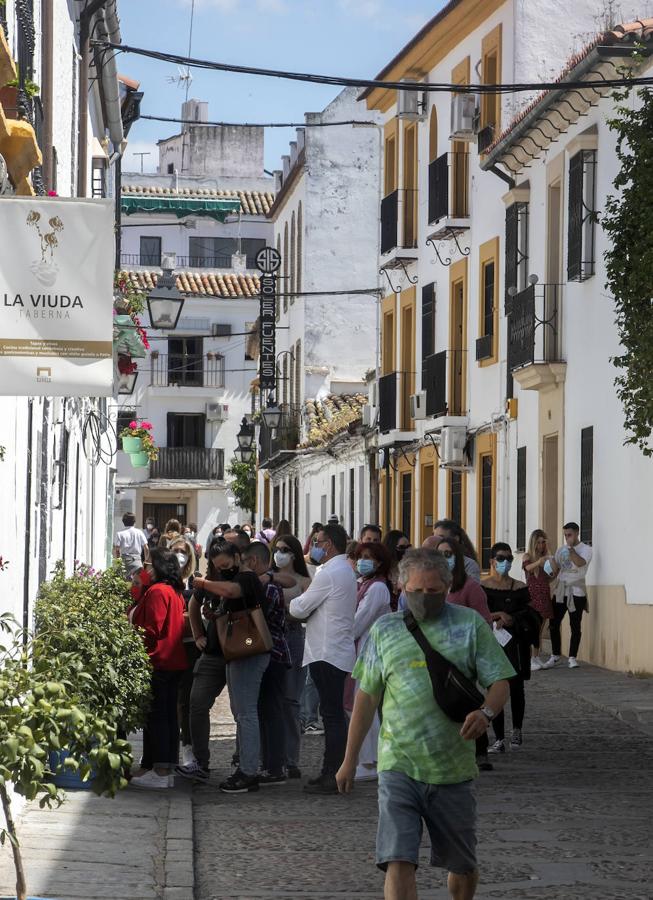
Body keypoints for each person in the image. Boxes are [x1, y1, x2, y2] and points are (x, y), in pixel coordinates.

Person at [336, 549, 514, 900]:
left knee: (462, 867)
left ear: (448, 587)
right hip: (398, 764)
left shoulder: (469, 625)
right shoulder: (384, 630)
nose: (424, 598)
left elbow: (500, 682)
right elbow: (366, 698)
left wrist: (486, 714)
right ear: (401, 586)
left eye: (434, 592)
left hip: (452, 768)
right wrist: (349, 760)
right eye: (416, 591)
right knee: (398, 859)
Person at [289, 524, 357, 794]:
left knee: (331, 716)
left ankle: (332, 773)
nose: (313, 547)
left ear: (328, 544)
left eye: (317, 541)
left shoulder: (329, 573)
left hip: (326, 652)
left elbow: (301, 607)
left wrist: (293, 601)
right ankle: (333, 771)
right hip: (334, 650)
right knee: (333, 715)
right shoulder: (345, 570)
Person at [129, 549, 187, 790]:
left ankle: (160, 770)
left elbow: (150, 629)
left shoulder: (158, 591)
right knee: (167, 715)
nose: (146, 570)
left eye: (149, 565)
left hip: (158, 660)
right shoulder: (172, 591)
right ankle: (159, 765)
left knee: (158, 716)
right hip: (171, 660)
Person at [240, 542, 291, 785]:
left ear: (253, 562)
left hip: (273, 653)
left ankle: (275, 767)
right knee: (263, 710)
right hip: (267, 653)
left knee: (272, 711)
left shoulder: (269, 588)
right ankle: (268, 762)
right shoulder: (268, 584)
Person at [482, 543, 541, 753]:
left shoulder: (519, 588)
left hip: (516, 644)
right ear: (492, 561)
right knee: (494, 688)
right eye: (500, 558)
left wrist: (512, 619)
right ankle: (498, 738)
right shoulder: (483, 587)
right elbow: (477, 614)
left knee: (516, 689)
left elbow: (531, 615)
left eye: (508, 558)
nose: (505, 562)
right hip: (492, 644)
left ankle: (517, 729)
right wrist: (497, 615)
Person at [346, 541, 392, 781]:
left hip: (371, 652)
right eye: (360, 556)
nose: (362, 561)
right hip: (362, 651)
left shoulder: (377, 589)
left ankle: (369, 760)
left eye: (368, 557)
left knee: (366, 707)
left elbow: (358, 623)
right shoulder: (363, 585)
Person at [270, 533, 312, 778]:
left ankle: (291, 758)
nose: (280, 553)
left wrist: (284, 613)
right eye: (277, 548)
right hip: (271, 638)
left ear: (294, 554)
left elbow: (307, 614)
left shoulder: (304, 581)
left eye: (285, 549)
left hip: (294, 639)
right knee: (271, 700)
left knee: (291, 701)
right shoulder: (269, 578)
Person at [543, 522, 593, 669]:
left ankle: (572, 657)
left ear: (577, 533)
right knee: (553, 624)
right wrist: (549, 566)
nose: (567, 538)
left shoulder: (586, 549)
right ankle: (555, 655)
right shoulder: (561, 549)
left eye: (569, 535)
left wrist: (571, 550)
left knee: (575, 625)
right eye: (565, 535)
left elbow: (579, 563)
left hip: (577, 592)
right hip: (561, 591)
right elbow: (556, 570)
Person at [168, 536, 199, 768]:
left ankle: (188, 747)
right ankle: (165, 751)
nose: (179, 554)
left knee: (186, 699)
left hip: (189, 645)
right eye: (175, 550)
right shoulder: (164, 580)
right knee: (168, 699)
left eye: (183, 551)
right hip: (169, 645)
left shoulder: (196, 581)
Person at [522, 529, 555, 670]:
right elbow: (527, 568)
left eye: (543, 542)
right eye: (539, 543)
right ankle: (529, 659)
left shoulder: (546, 557)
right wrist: (539, 562)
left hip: (544, 596)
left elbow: (550, 577)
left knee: (540, 629)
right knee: (532, 628)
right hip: (532, 597)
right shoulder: (527, 556)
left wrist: (554, 568)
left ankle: (536, 657)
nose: (541, 545)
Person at [114, 512, 149, 578]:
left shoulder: (119, 534)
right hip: (137, 561)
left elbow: (117, 550)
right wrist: (146, 560)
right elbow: (146, 548)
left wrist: (118, 561)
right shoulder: (139, 532)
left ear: (123, 522)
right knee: (138, 582)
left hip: (125, 561)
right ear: (134, 522)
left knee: (124, 583)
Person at [383, 530, 411, 609]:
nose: (406, 551)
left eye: (408, 547)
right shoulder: (383, 572)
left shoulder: (410, 571)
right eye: (401, 547)